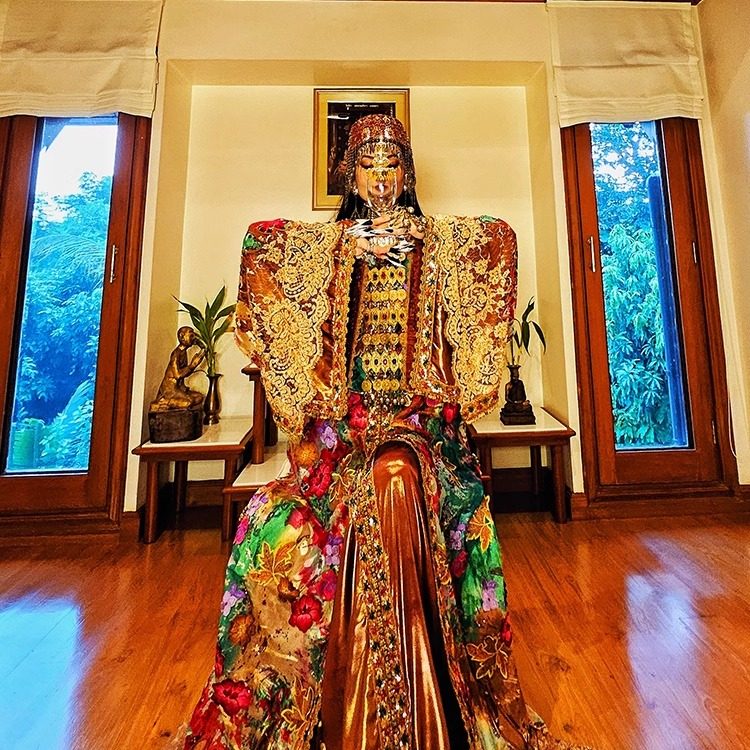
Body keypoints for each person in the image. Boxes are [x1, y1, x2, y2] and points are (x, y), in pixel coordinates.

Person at [181, 115, 591, 750]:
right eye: (367, 166)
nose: (380, 178)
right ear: (351, 177)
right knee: (284, 520)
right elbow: (262, 243)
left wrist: (419, 239)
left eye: (391, 164)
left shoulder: (435, 244)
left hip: (417, 424)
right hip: (343, 429)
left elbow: (497, 239)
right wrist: (346, 248)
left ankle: (417, 715)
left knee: (395, 474)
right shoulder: (335, 249)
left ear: (408, 174)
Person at [150, 326, 205, 411]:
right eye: (191, 335)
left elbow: (185, 373)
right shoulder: (176, 354)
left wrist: (201, 352)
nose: (194, 338)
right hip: (170, 389)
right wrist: (192, 365)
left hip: (179, 387)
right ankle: (164, 401)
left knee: (199, 397)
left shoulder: (183, 352)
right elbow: (178, 375)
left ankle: (173, 401)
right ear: (182, 337)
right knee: (188, 402)